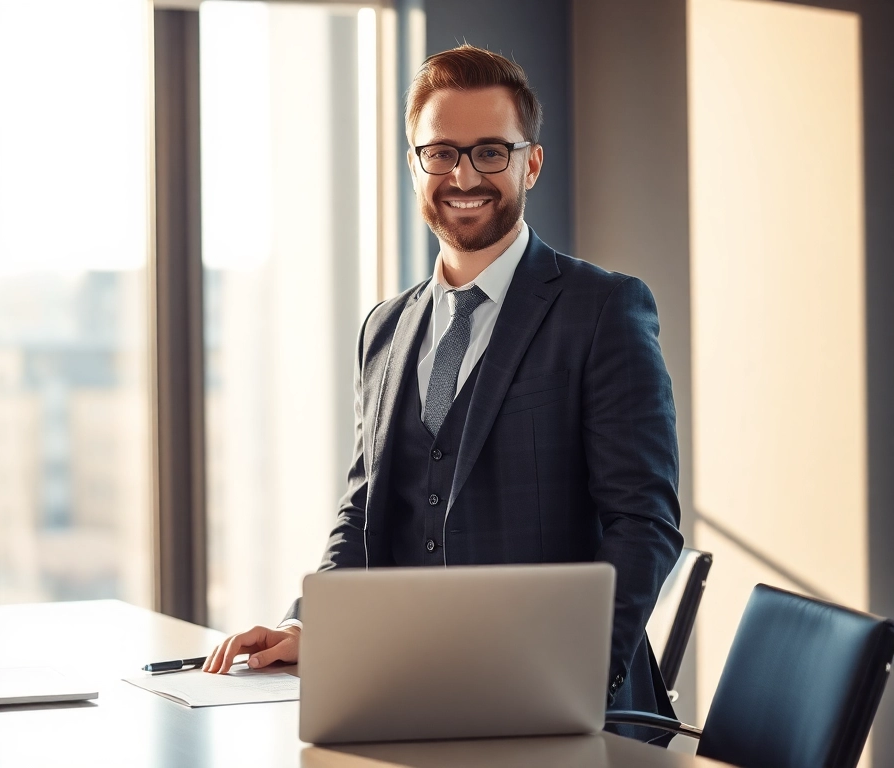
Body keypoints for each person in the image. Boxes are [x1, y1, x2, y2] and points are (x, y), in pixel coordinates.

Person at [202, 44, 683, 742]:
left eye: (491, 151)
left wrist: (572, 674)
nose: (464, 175)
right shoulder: (385, 328)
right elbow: (364, 508)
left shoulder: (603, 310)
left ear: (531, 163)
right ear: (414, 164)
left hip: (569, 717)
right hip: (405, 701)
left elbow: (645, 524)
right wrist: (309, 625)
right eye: (442, 153)